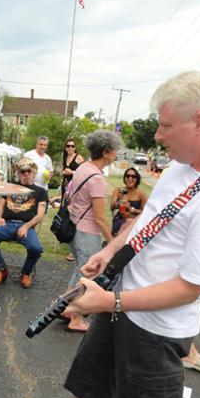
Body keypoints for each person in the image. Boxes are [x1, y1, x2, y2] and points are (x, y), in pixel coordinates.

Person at [32, 71, 200, 398]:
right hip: (121, 302)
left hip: (156, 327)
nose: (157, 135)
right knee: (89, 381)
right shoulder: (182, 167)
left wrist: (109, 300)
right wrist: (111, 250)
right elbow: (150, 217)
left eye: (167, 125)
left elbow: (189, 287)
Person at [62, 130, 119, 333]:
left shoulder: (82, 168)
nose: (116, 154)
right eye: (114, 151)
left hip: (73, 228)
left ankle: (66, 308)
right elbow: (100, 218)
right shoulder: (97, 179)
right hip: (87, 232)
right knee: (88, 276)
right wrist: (113, 243)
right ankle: (75, 318)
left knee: (79, 269)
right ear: (105, 152)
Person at [0, 157, 47, 289]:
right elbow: (0, 204)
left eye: (29, 171)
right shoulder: (10, 187)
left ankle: (26, 273)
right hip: (7, 224)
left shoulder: (40, 191)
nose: (26, 174)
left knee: (36, 248)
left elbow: (40, 215)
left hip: (27, 227)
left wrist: (26, 226)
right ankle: (1, 269)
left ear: (34, 172)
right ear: (18, 173)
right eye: (23, 171)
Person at [110, 167, 147, 236]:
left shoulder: (141, 194)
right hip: (119, 223)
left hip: (133, 226)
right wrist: (119, 203)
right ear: (124, 178)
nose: (130, 178)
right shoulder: (118, 191)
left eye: (133, 176)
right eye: (127, 176)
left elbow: (146, 213)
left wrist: (131, 209)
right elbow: (111, 207)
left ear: (137, 179)